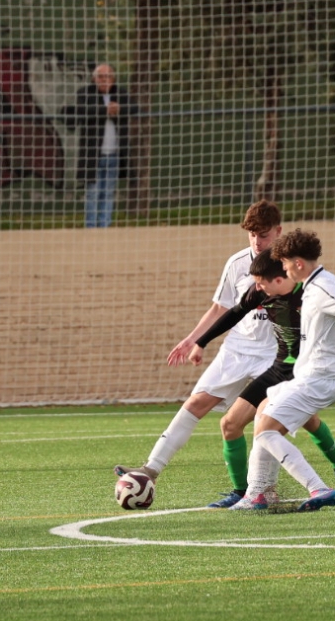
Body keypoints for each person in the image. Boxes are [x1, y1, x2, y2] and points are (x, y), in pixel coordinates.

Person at [170, 249, 335, 508]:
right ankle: (244, 492)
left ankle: (277, 490)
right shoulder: (261, 290)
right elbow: (235, 312)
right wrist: (201, 342)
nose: (257, 288)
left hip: (304, 372)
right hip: (279, 367)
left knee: (271, 426)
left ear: (280, 279)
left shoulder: (311, 295)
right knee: (230, 423)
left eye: (261, 283)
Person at [116, 202, 282, 491]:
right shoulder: (237, 264)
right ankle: (151, 469)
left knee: (265, 422)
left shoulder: (291, 265)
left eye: (264, 235)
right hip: (238, 349)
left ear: (278, 232)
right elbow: (220, 308)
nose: (257, 241)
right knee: (196, 403)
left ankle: (265, 490)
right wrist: (193, 339)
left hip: (274, 355)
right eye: (252, 234)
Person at [233, 229, 335, 512]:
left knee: (266, 432)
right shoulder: (316, 284)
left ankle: (318, 488)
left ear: (298, 264)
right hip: (311, 375)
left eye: (285, 264)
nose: (284, 270)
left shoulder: (322, 288)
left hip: (322, 377)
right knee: (264, 413)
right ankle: (258, 494)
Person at [72, 64, 133, 228]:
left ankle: (104, 226)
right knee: (92, 193)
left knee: (108, 193)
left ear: (113, 79)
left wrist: (120, 109)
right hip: (93, 155)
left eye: (107, 76)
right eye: (100, 76)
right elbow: (83, 110)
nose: (104, 80)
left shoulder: (121, 94)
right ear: (94, 79)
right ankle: (91, 227)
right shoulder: (84, 93)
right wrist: (105, 110)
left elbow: (134, 108)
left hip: (114, 154)